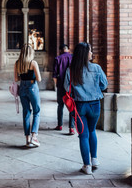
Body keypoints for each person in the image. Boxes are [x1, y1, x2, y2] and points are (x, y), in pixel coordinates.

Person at [64, 42, 108, 175]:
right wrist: (93, 90)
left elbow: (67, 88)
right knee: (92, 131)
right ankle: (94, 159)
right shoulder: (96, 68)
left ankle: (86, 166)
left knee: (83, 135)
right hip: (95, 104)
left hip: (79, 106)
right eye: (90, 51)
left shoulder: (71, 70)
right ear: (85, 54)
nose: (91, 53)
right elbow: (104, 85)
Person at [14, 44, 42, 147]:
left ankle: (27, 139)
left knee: (26, 113)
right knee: (36, 111)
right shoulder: (33, 63)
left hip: (22, 88)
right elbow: (39, 79)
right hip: (32, 88)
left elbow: (16, 79)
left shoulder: (17, 63)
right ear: (31, 53)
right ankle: (34, 137)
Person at [52, 44, 75, 135]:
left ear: (60, 50)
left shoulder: (57, 58)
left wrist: (57, 85)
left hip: (61, 85)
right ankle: (71, 128)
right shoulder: (73, 58)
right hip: (71, 86)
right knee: (71, 106)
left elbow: (54, 75)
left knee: (60, 105)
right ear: (68, 49)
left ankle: (60, 125)